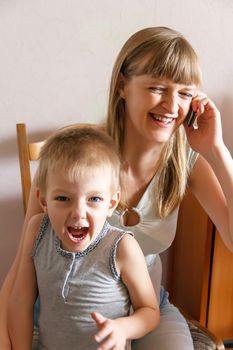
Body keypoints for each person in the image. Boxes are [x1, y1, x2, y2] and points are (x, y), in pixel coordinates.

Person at [1, 26, 233, 349]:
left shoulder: (186, 164)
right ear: (123, 86)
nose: (171, 105)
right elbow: (23, 264)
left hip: (147, 310)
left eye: (184, 93)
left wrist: (217, 150)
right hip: (68, 312)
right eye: (157, 88)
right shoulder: (80, 156)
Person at [7, 126, 159, 350]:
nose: (78, 212)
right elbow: (21, 302)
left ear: (111, 204)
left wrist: (123, 328)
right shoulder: (37, 230)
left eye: (94, 199)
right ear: (43, 201)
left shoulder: (122, 247)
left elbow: (150, 312)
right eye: (62, 198)